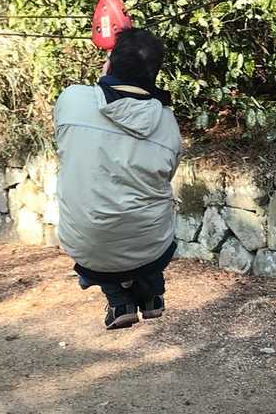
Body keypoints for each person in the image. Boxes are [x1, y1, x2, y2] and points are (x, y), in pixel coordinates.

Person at [55, 27, 182, 330]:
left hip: (88, 246)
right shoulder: (167, 122)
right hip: (150, 247)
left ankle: (119, 301)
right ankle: (151, 295)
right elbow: (167, 174)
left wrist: (107, 74)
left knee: (101, 236)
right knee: (146, 220)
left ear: (109, 63)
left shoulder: (72, 100)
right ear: (155, 74)